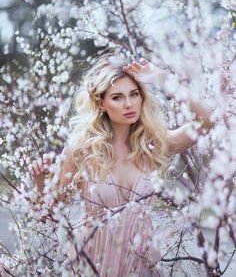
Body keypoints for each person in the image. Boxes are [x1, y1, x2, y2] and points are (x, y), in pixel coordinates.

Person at [29, 53, 214, 276]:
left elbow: (207, 121)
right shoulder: (82, 149)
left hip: (142, 262)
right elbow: (48, 214)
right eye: (117, 97)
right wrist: (41, 183)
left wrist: (165, 80)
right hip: (93, 262)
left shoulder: (153, 144)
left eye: (134, 94)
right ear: (101, 103)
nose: (129, 104)